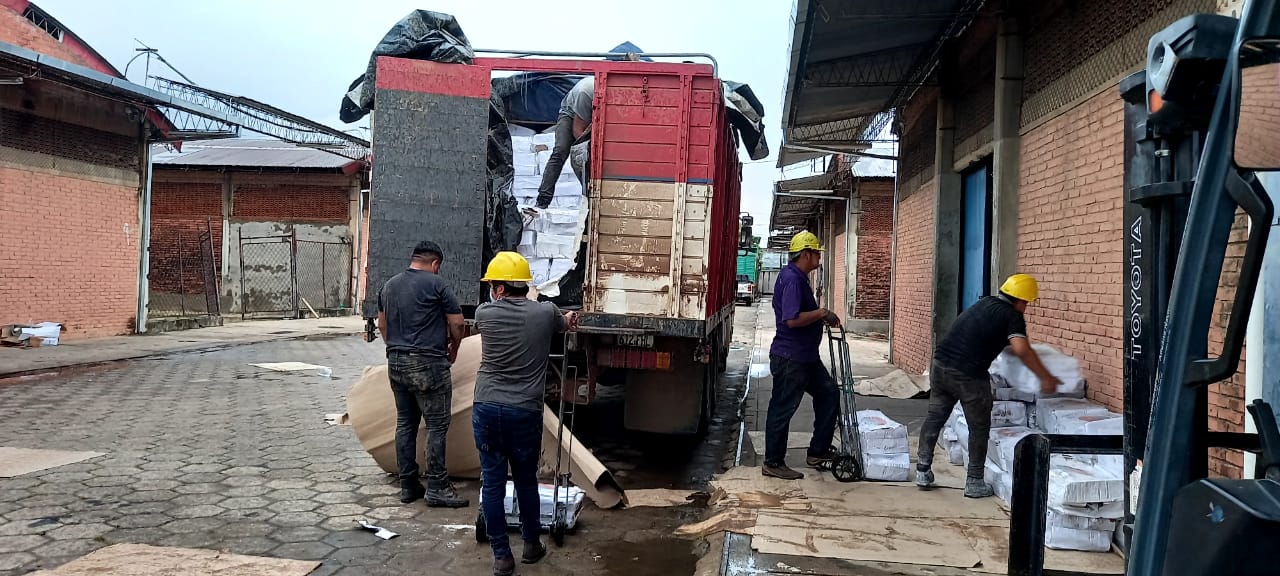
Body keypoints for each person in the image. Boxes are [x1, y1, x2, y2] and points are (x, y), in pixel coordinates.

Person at [472, 251, 578, 576]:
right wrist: (569, 318)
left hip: (487, 407)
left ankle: (502, 557)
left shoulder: (484, 313)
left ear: (501, 289)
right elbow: (564, 323)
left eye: (493, 285)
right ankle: (532, 545)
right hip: (524, 411)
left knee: (492, 483)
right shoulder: (545, 313)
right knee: (526, 481)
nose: (491, 290)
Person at [915, 273, 1063, 498]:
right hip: (968, 375)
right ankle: (974, 482)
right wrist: (1046, 377)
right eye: (1027, 303)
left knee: (935, 416)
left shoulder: (985, 303)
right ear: (1020, 300)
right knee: (979, 427)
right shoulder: (1012, 315)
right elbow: (1021, 349)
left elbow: (988, 337)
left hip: (940, 364)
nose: (1026, 308)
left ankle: (922, 470)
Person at [377, 240, 469, 508]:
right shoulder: (437, 284)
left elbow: (382, 324)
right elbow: (457, 322)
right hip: (429, 363)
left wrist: (396, 348)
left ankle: (408, 485)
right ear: (435, 263)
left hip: (396, 362)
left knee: (406, 423)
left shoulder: (389, 285)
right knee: (436, 425)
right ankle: (438, 487)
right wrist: (454, 347)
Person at [762, 231, 843, 481]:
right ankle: (773, 462)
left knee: (829, 393)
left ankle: (818, 451)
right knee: (783, 408)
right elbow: (792, 319)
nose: (819, 257)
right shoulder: (792, 280)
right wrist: (821, 313)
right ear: (806, 254)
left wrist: (818, 317)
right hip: (791, 358)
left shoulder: (798, 278)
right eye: (817, 253)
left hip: (806, 357)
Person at [534, 76, 594, 209]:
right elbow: (578, 131)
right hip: (570, 114)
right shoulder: (586, 93)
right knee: (562, 151)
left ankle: (593, 199)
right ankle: (543, 199)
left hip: (591, 114)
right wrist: (589, 152)